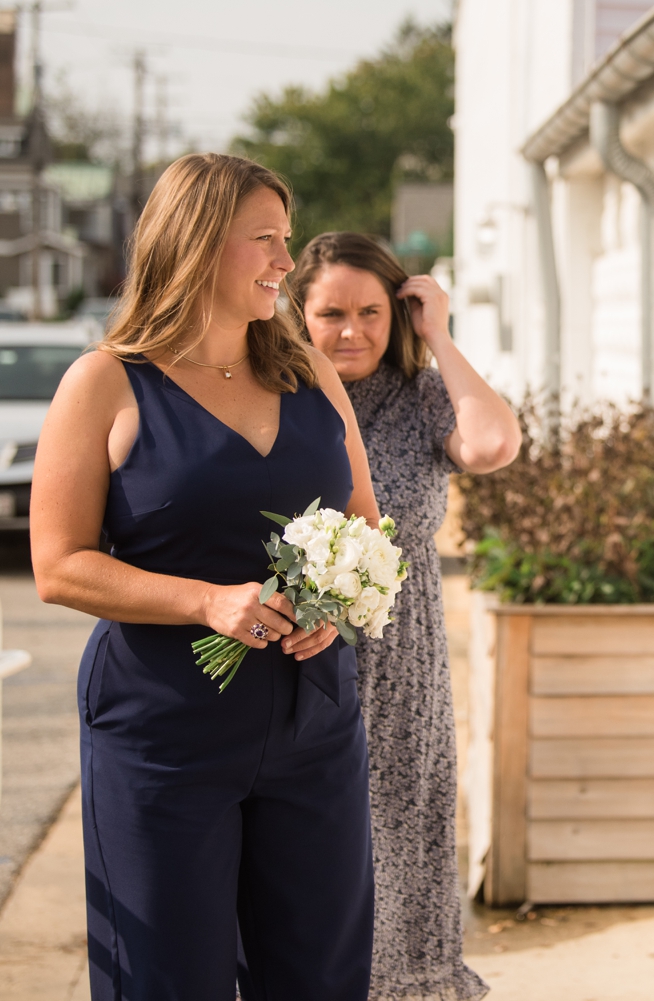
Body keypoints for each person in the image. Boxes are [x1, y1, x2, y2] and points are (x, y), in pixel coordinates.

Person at [31, 153, 379, 999]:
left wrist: (331, 602)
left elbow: (367, 526)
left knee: (320, 977)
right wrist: (204, 601)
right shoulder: (105, 383)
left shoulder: (310, 373)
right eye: (263, 240)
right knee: (167, 978)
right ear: (194, 244)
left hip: (314, 723)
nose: (285, 263)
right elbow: (57, 564)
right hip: (162, 735)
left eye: (286, 240)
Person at [289, 232, 519, 1000]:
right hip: (291, 656)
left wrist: (438, 335)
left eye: (371, 312)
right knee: (301, 858)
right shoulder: (277, 395)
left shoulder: (419, 398)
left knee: (398, 839)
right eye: (330, 313)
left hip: (401, 666)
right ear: (299, 312)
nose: (351, 330)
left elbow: (490, 442)